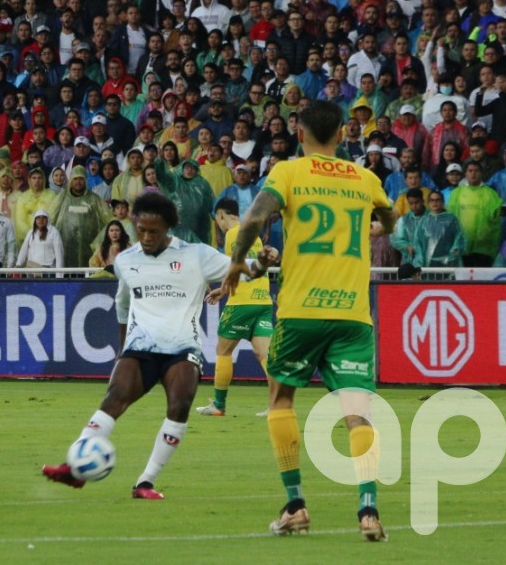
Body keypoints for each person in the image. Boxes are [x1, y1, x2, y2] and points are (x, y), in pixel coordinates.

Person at [219, 101, 397, 540]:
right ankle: (369, 511)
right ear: (341, 134)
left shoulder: (288, 172)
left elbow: (254, 218)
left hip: (301, 312)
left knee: (281, 400)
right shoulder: (365, 178)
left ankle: (296, 506)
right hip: (353, 315)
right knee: (358, 414)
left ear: (299, 133)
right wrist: (379, 226)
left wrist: (237, 262)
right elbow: (390, 218)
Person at [42, 192, 278, 499]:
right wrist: (122, 349)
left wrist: (261, 262)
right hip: (140, 346)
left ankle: (145, 482)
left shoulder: (196, 255)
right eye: (141, 230)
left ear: (168, 227)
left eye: (153, 231)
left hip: (182, 348)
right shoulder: (126, 260)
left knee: (179, 406)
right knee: (114, 398)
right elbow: (122, 305)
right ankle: (75, 468)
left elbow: (242, 268)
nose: (146, 237)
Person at [197, 198, 271, 417]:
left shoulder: (232, 234)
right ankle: (278, 404)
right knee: (264, 354)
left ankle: (219, 405)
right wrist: (223, 290)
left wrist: (223, 289)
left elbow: (235, 267)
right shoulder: (255, 235)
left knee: (223, 351)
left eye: (217, 219)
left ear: (220, 215)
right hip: (263, 300)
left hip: (242, 302)